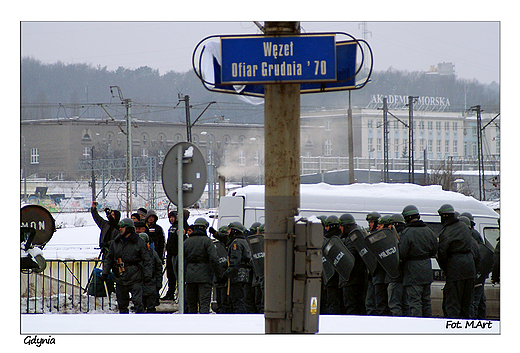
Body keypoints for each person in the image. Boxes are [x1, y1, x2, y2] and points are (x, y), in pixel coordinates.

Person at [101, 218, 152, 313]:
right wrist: (105, 272)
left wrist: (147, 275)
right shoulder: (115, 242)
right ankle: (124, 324)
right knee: (122, 304)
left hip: (135, 276)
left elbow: (147, 260)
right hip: (120, 276)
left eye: (122, 227)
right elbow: (109, 258)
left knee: (138, 302)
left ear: (128, 228)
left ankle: (141, 323)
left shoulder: (139, 242)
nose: (120, 229)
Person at [437, 204, 478, 319]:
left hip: (456, 270)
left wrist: (445, 269)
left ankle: (453, 329)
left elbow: (442, 254)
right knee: (466, 304)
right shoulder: (464, 227)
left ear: (444, 217)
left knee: (453, 304)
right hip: (469, 268)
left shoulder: (447, 231)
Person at [398, 205, 438, 317]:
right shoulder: (429, 231)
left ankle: (417, 328)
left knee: (415, 302)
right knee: (426, 301)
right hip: (426, 270)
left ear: (407, 218)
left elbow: (402, 253)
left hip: (412, 272)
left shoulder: (407, 233)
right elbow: (434, 250)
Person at [183, 218, 220, 314]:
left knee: (192, 304)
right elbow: (214, 259)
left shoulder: (186, 242)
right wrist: (218, 275)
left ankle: (192, 326)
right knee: (204, 304)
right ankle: (203, 326)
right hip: (205, 277)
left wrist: (183, 276)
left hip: (190, 277)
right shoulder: (207, 241)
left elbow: (179, 261)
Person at [339, 213, 366, 315]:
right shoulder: (357, 234)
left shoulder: (352, 237)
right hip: (356, 278)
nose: (340, 228)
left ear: (347, 226)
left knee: (351, 306)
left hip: (352, 278)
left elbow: (348, 256)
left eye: (341, 226)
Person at [461, 212, 487, 319]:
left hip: (473, 272)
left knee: (474, 300)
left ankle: (474, 320)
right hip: (479, 272)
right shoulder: (476, 234)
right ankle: (481, 319)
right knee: (481, 299)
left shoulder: (470, 235)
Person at [223, 222, 252, 313]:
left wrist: (226, 274)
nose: (228, 232)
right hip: (244, 275)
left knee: (237, 301)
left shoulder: (236, 243)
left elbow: (235, 261)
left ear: (235, 231)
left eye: (230, 230)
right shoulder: (243, 241)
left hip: (238, 275)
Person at [139, 232, 163, 313]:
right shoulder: (135, 254)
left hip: (150, 285)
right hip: (140, 285)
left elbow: (158, 269)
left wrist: (158, 284)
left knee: (150, 308)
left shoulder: (153, 254)